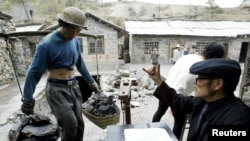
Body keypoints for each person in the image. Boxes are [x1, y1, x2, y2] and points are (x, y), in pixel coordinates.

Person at [20, 7, 100, 141]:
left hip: (74, 87)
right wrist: (27, 99)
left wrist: (91, 82)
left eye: (78, 31)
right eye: (73, 30)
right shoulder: (46, 45)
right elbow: (34, 73)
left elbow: (80, 63)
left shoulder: (74, 40)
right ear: (63, 25)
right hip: (57, 90)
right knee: (70, 125)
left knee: (80, 125)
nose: (75, 34)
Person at [143, 59, 250, 141]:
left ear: (217, 84)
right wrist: (157, 79)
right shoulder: (203, 101)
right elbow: (176, 100)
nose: (195, 82)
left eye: (200, 79)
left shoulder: (237, 121)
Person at [152, 42, 225, 139]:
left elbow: (174, 70)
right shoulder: (206, 68)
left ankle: (150, 133)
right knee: (179, 122)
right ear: (217, 57)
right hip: (179, 95)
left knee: (159, 112)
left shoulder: (189, 56)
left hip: (166, 87)